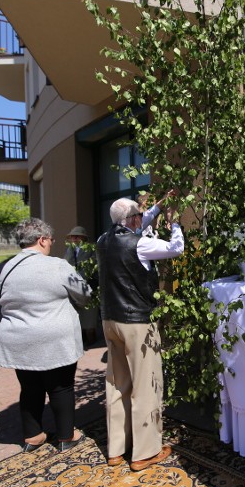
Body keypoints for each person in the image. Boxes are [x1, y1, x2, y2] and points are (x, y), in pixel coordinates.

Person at [96, 196, 184, 471]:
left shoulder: (103, 240)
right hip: (135, 322)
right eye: (140, 214)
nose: (141, 218)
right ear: (132, 219)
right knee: (146, 385)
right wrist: (175, 223)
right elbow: (176, 248)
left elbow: (135, 224)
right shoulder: (140, 243)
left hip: (110, 320)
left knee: (116, 384)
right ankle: (145, 452)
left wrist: (155, 208)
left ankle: (116, 451)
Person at [0, 218, 92, 453]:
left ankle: (33, 436)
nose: (51, 244)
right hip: (53, 338)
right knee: (61, 387)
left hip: (18, 338)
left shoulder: (7, 267)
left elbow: (2, 297)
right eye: (50, 240)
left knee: (30, 388)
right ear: (42, 239)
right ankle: (67, 435)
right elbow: (84, 293)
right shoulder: (57, 266)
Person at [64, 225, 99, 347]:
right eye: (72, 237)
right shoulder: (69, 249)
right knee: (78, 316)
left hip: (88, 285)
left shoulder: (91, 249)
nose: (74, 239)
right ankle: (82, 339)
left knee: (90, 316)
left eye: (77, 236)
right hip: (74, 287)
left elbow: (94, 266)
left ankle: (91, 339)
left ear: (83, 238)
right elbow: (66, 264)